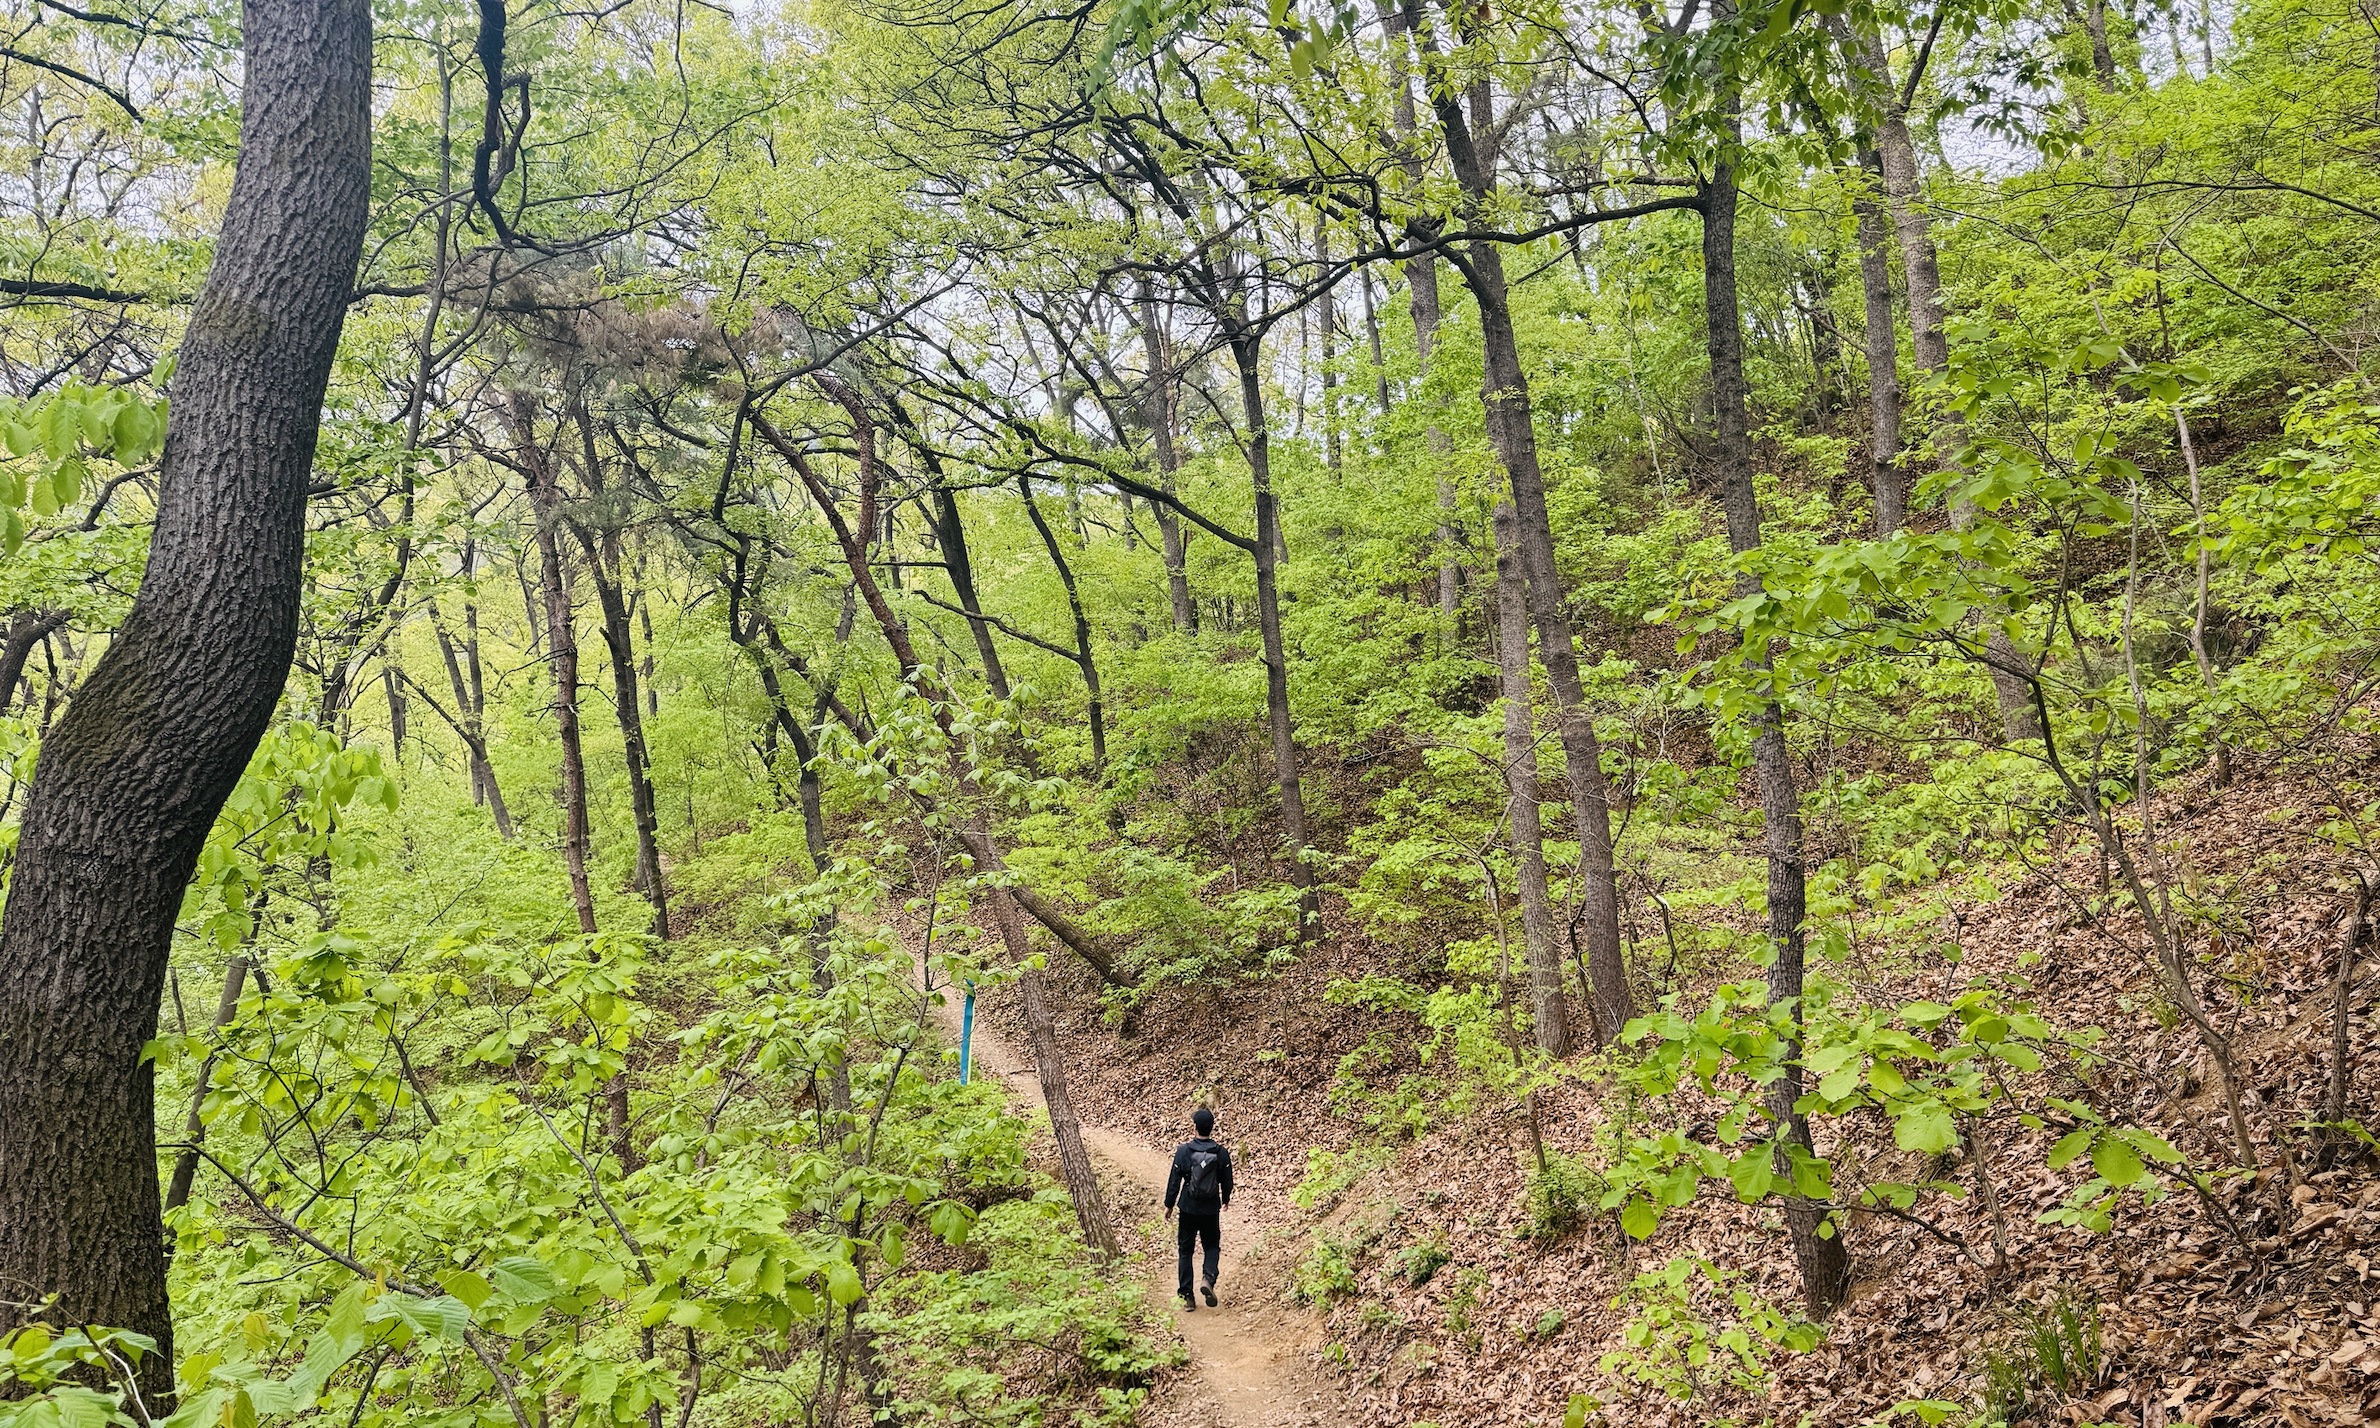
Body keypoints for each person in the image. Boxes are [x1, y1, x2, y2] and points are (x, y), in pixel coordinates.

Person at [1163, 1106, 1234, 1311]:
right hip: (1210, 1209)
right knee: (1211, 1247)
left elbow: (1174, 1181)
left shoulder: (1184, 1151)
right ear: (1211, 1128)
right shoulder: (1220, 1153)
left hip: (1188, 1208)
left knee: (1185, 1251)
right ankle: (1208, 1279)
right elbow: (1227, 1180)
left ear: (1194, 1127)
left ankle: (1187, 1297)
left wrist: (1169, 1205)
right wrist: (1226, 1198)